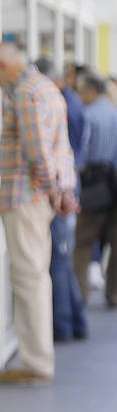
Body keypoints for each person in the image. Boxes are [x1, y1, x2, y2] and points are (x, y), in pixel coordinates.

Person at [0, 42, 76, 385]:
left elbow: (38, 153)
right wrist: (60, 192)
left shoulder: (24, 92)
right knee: (36, 275)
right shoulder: (47, 88)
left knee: (28, 278)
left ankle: (35, 362)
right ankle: (37, 357)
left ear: (4, 65)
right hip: (40, 197)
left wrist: (52, 190)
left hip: (26, 197)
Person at [34, 56, 87, 341]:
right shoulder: (67, 100)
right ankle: (74, 322)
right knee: (62, 257)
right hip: (66, 184)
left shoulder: (57, 101)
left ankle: (64, 325)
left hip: (62, 186)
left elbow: (58, 152)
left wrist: (59, 191)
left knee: (58, 257)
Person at [73, 71, 117, 306]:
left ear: (91, 91)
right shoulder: (115, 112)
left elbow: (82, 152)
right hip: (115, 183)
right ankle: (114, 293)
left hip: (94, 184)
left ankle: (80, 294)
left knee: (83, 242)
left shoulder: (88, 115)